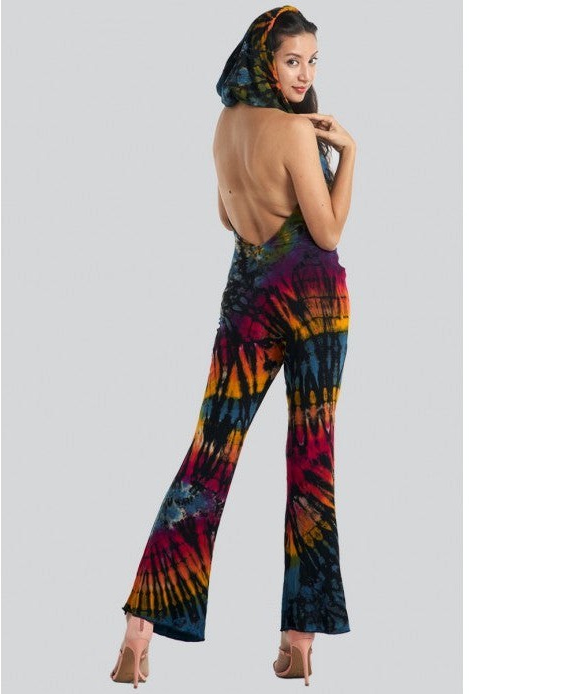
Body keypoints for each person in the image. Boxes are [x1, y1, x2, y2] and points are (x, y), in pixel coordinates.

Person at [110, 5, 356, 687]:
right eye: (292, 60)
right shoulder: (295, 131)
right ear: (265, 61)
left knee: (209, 452)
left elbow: (228, 215)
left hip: (246, 295)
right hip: (311, 301)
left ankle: (140, 626)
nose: (304, 74)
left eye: (312, 61)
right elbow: (328, 231)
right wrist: (351, 155)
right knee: (311, 457)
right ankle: (299, 640)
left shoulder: (226, 125)